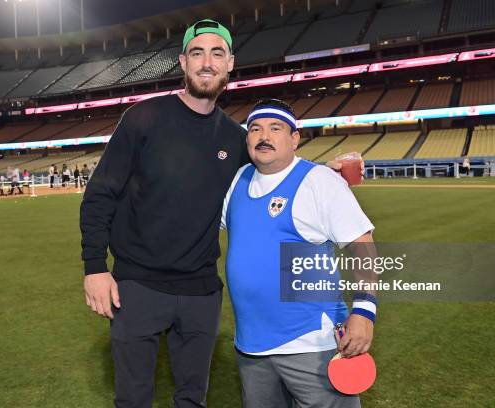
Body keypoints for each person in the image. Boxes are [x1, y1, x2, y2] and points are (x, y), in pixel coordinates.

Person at [81, 19, 358, 408]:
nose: (206, 63)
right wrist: (95, 266)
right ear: (183, 62)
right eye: (197, 53)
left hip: (200, 293)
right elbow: (100, 194)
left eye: (216, 53)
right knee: (132, 398)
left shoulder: (234, 137)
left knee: (193, 399)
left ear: (230, 63)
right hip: (137, 287)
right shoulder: (144, 117)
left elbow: (276, 163)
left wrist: (323, 170)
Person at [222, 99, 376, 408]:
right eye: (255, 129)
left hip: (311, 344)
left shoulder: (320, 182)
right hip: (251, 348)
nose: (264, 136)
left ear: (294, 138)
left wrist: (364, 310)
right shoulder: (238, 180)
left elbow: (363, 245)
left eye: (275, 128)